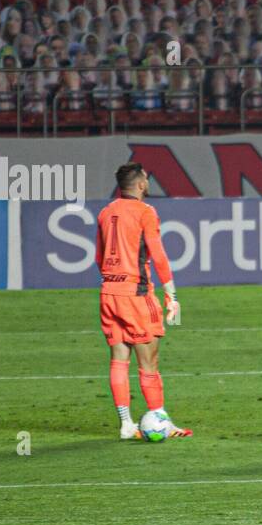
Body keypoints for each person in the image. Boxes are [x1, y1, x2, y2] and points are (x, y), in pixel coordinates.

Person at [95, 162, 191, 439]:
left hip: (108, 292)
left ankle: (126, 424)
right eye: (146, 179)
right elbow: (158, 255)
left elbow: (98, 258)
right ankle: (160, 419)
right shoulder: (145, 212)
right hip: (136, 294)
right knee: (149, 362)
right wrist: (171, 295)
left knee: (118, 358)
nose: (148, 183)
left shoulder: (105, 212)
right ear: (139, 184)